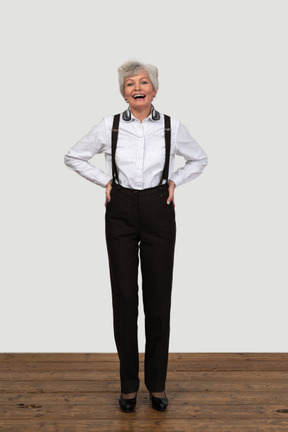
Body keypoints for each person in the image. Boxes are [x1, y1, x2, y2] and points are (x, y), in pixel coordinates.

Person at [64, 60, 208, 412]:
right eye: (130, 83)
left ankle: (156, 386)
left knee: (158, 300)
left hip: (159, 208)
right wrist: (106, 181)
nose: (137, 87)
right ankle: (128, 386)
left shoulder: (172, 126)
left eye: (144, 82)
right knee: (125, 298)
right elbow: (74, 157)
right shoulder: (109, 125)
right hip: (122, 210)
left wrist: (176, 181)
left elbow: (199, 159)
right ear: (124, 92)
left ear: (154, 90)